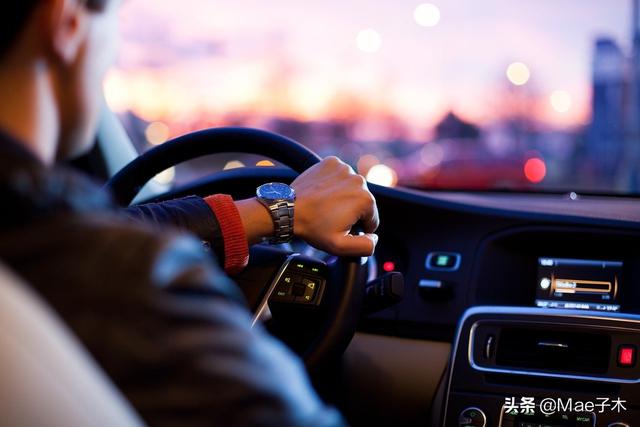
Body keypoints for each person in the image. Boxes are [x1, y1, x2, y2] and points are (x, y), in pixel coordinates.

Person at [0, 0, 379, 426]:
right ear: (68, 22)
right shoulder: (135, 284)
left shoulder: (36, 236)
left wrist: (279, 213)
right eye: (114, 20)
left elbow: (106, 226)